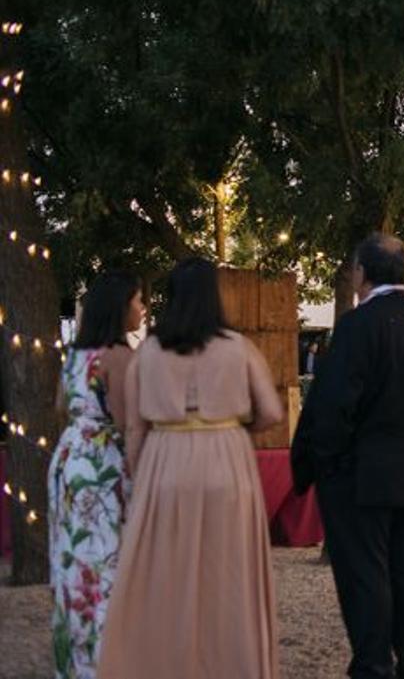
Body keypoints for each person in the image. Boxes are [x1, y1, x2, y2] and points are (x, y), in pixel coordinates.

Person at [98, 258, 283, 679]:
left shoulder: (148, 352)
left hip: (166, 460)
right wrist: (235, 428)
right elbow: (272, 412)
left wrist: (138, 479)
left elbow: (134, 429)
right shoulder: (238, 347)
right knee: (229, 576)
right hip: (226, 458)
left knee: (167, 572)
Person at [291, 233, 404, 679]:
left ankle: (374, 665)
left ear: (361, 273)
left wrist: (322, 464)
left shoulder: (358, 326)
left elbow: (333, 405)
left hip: (362, 478)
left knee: (365, 578)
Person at [48, 272, 143, 679]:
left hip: (70, 460)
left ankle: (73, 663)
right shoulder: (120, 358)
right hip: (103, 468)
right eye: (139, 301)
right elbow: (131, 424)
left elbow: (58, 408)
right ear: (120, 308)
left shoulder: (74, 356)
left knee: (72, 565)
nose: (143, 309)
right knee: (107, 566)